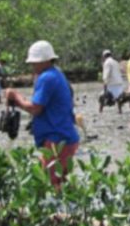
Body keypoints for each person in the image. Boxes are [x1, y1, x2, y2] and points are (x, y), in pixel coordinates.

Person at [6, 40, 80, 187]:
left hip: (58, 139)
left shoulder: (47, 78)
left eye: (35, 63)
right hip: (63, 137)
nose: (33, 66)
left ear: (46, 61)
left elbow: (35, 108)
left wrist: (16, 97)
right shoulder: (56, 74)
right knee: (59, 182)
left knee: (49, 183)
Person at [100, 50, 124, 114]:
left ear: (104, 56)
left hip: (111, 84)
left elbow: (106, 74)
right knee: (118, 98)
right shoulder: (115, 62)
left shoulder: (107, 63)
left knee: (102, 97)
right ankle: (120, 111)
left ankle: (100, 111)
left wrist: (105, 84)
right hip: (119, 82)